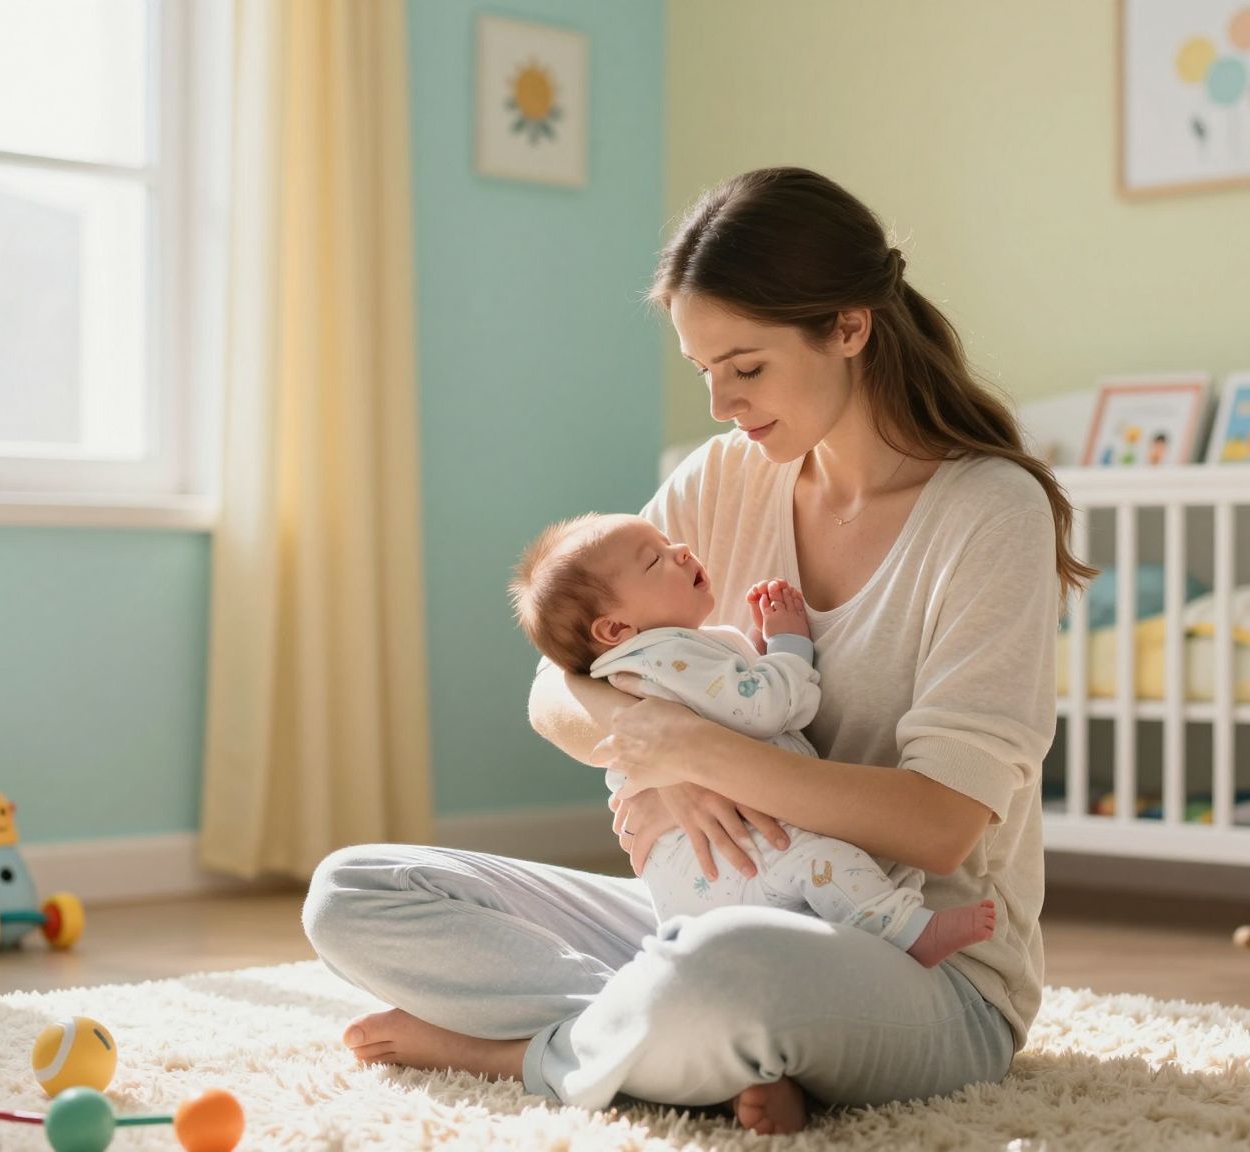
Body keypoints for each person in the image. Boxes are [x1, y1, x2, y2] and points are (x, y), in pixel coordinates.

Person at [303, 166, 1094, 1135]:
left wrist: (695, 756)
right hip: (709, 914)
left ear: (848, 328)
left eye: (747, 368)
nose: (721, 404)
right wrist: (651, 742)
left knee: (723, 976)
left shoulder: (988, 513)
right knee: (354, 891)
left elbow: (939, 827)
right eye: (703, 371)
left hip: (917, 963)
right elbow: (557, 687)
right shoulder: (727, 474)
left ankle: (522, 1054)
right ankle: (689, 1046)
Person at [508, 511, 998, 967]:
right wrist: (788, 646)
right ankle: (907, 928)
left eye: (666, 541)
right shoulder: (665, 654)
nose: (680, 550)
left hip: (701, 883)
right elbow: (764, 710)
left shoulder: (643, 661)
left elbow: (719, 707)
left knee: (773, 945)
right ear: (615, 627)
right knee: (826, 862)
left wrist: (684, 755)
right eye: (656, 558)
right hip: (743, 851)